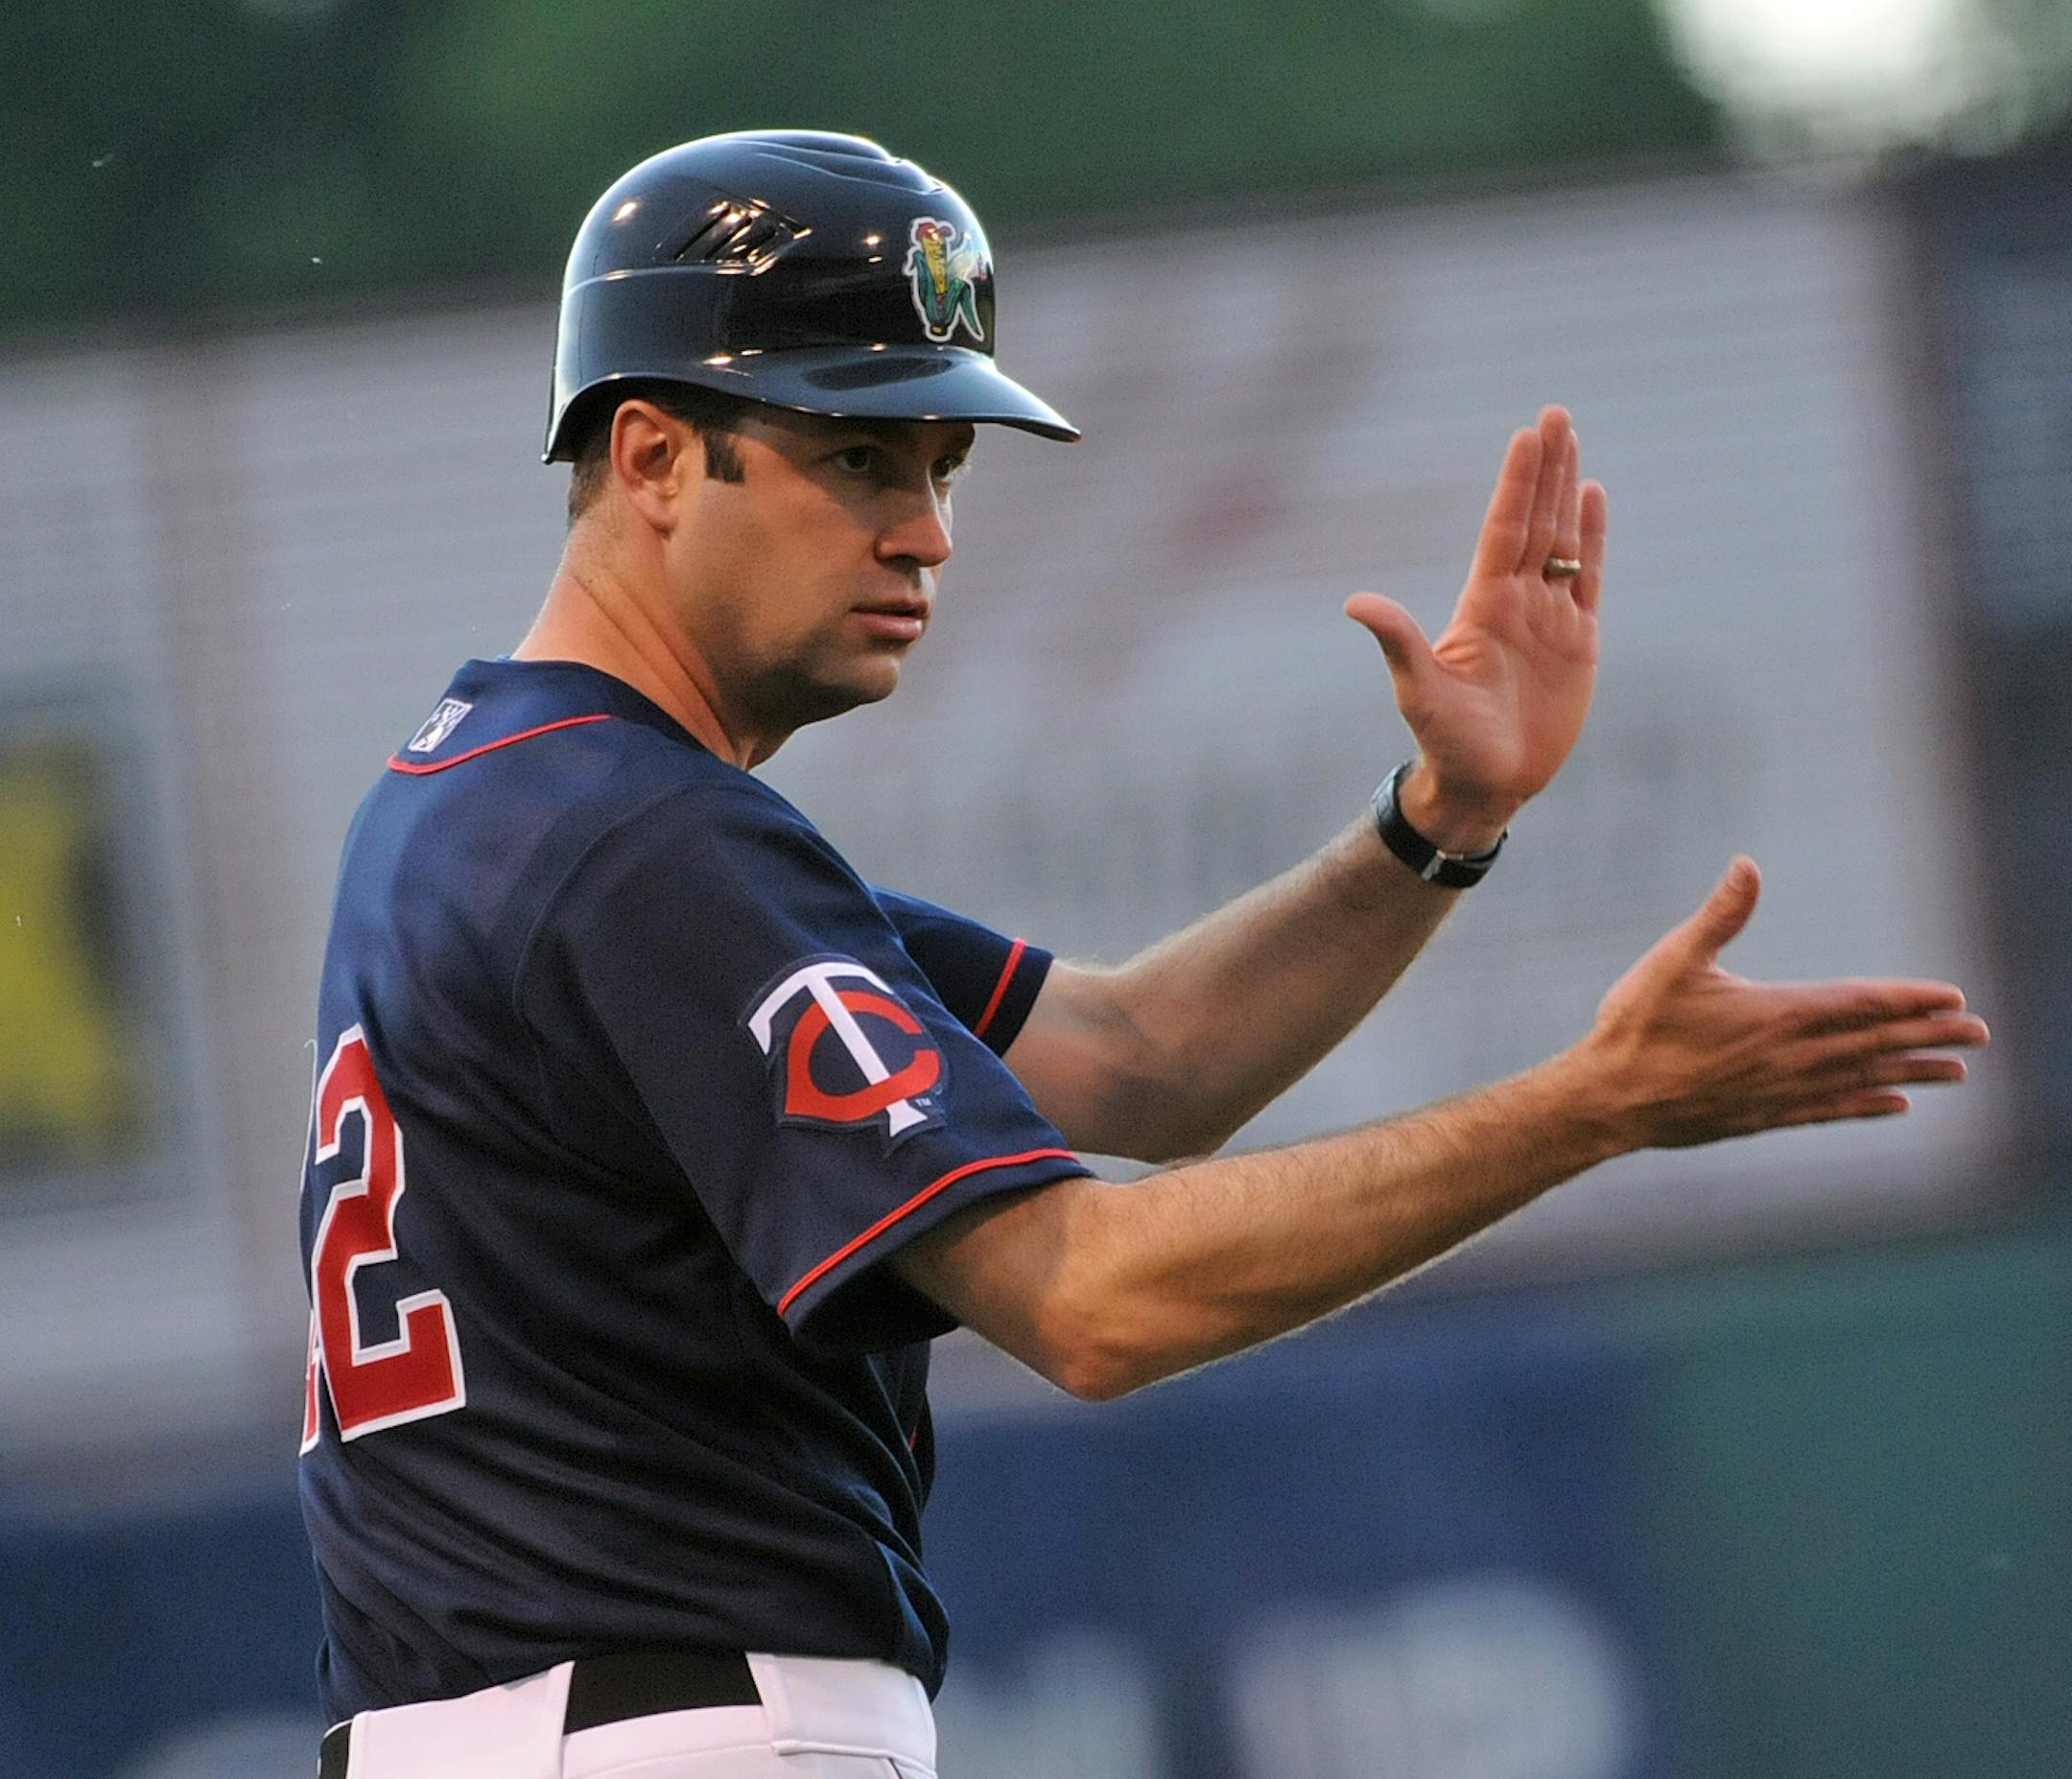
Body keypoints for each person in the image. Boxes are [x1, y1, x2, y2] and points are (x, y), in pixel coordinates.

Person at [296, 129, 1987, 1779]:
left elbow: (1132, 1065)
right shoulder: (649, 846)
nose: (928, 532)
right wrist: (1592, 1108)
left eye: (943, 470)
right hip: (679, 1731)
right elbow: (1090, 1301)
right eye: (860, 457)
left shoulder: (493, 794)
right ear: (656, 456)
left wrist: (1438, 822)